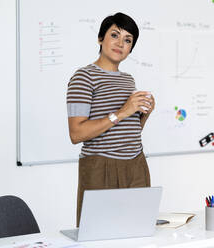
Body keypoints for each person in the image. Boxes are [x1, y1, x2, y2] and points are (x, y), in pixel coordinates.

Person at [66, 12, 154, 227]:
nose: (120, 43)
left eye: (127, 40)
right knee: (99, 233)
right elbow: (77, 134)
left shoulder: (128, 80)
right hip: (100, 165)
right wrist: (122, 112)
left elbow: (127, 130)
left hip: (136, 164)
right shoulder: (83, 77)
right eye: (114, 35)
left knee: (138, 231)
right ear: (100, 38)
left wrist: (143, 114)